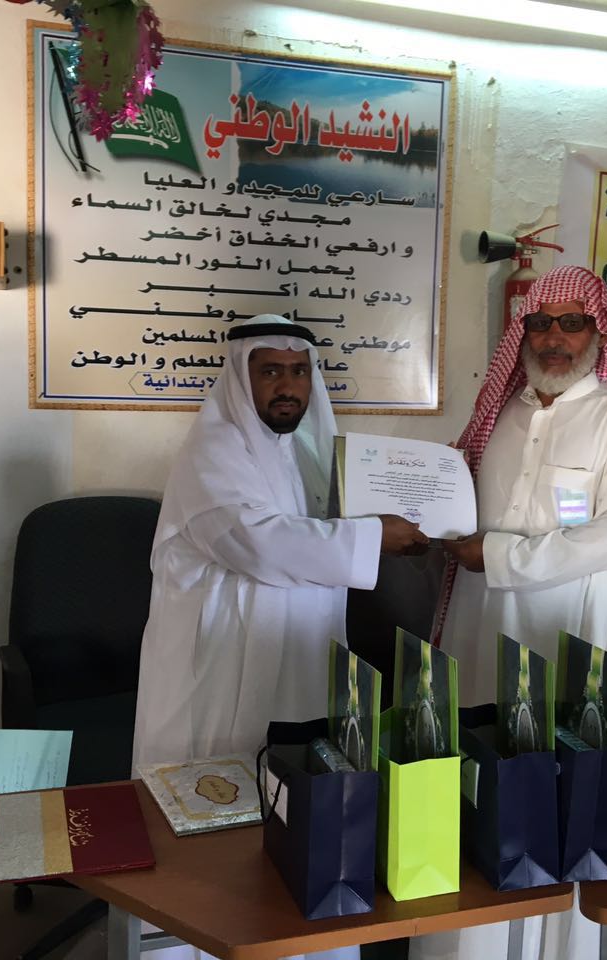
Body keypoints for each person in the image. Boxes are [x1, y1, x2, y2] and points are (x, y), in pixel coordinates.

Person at [131, 315, 426, 960]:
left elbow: (325, 527)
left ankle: (295, 937)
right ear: (242, 377)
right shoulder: (214, 451)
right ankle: (203, 939)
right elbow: (258, 544)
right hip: (218, 665)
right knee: (215, 811)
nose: (287, 386)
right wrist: (373, 536)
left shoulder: (307, 450)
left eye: (298, 371)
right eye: (270, 371)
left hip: (294, 657)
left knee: (295, 800)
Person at [418, 265, 607, 960]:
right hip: (481, 633)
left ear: (600, 333)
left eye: (572, 323)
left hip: (570, 643)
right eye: (539, 323)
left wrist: (499, 556)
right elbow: (456, 509)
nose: (553, 337)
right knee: (476, 781)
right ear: (522, 332)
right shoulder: (500, 416)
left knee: (561, 795)